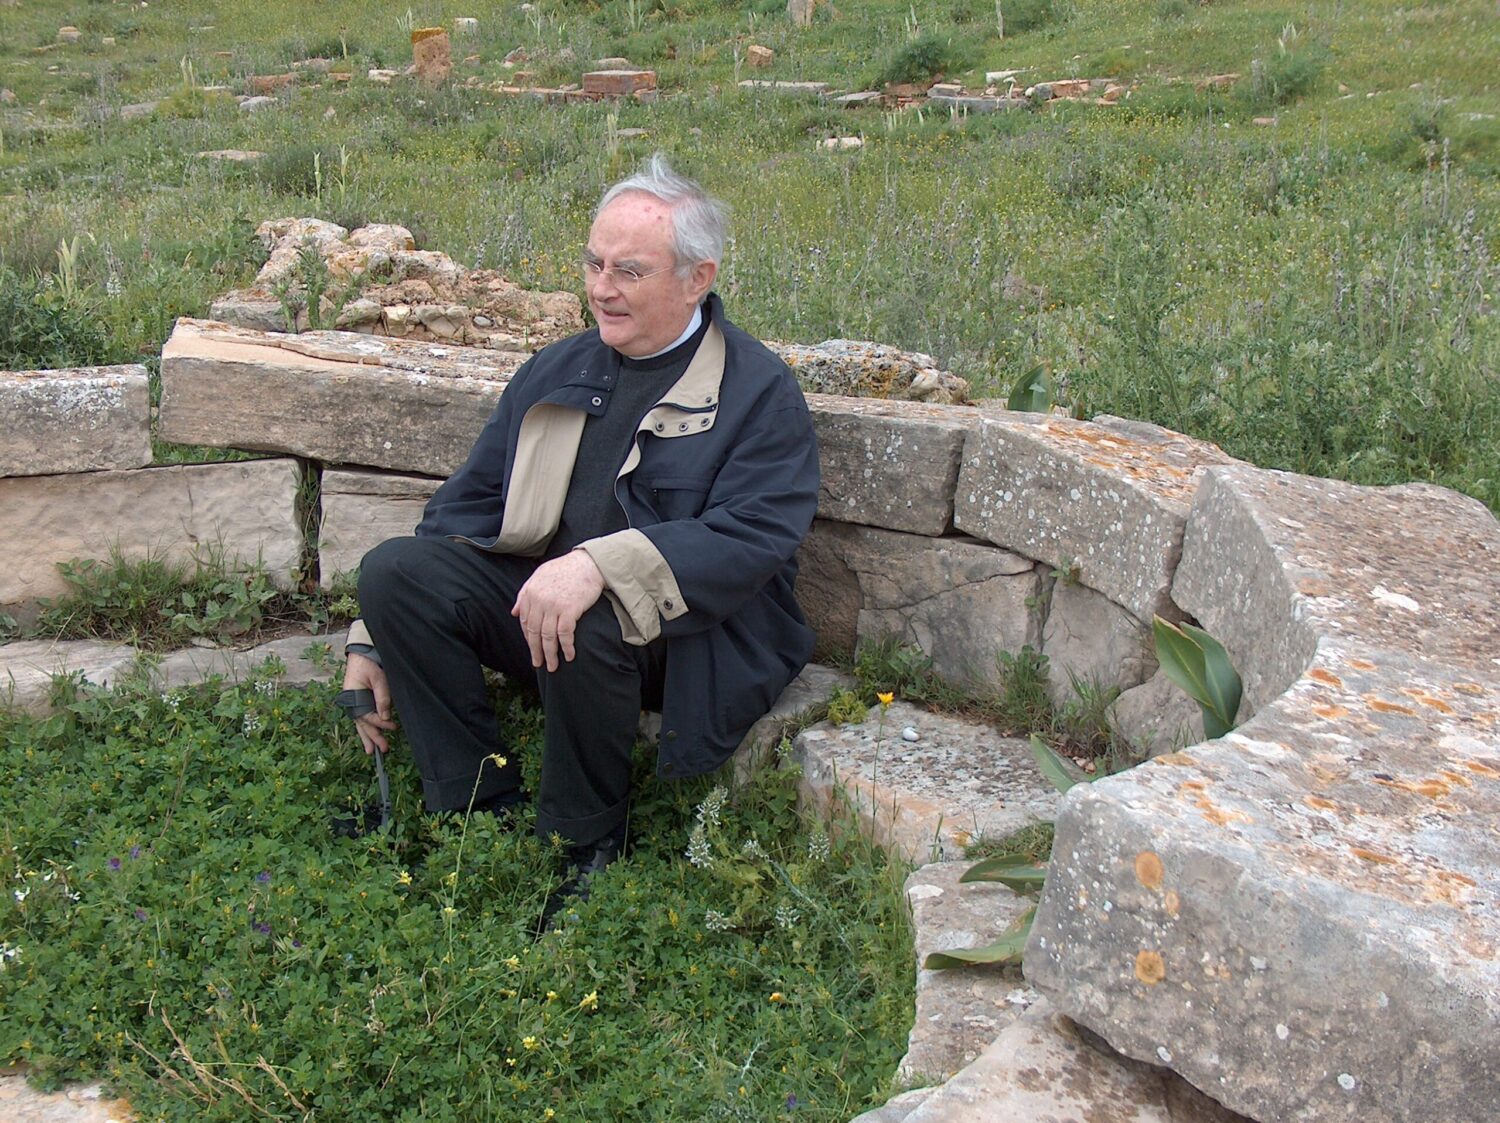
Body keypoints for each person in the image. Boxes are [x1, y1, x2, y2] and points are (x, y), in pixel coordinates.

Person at [340, 155, 819, 911]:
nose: (601, 287)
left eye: (629, 271)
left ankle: (584, 838)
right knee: (396, 572)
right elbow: (464, 507)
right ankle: (471, 799)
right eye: (594, 263)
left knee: (594, 604)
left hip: (688, 643)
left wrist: (599, 564)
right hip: (551, 612)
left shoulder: (758, 391)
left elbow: (754, 535)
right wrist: (372, 636)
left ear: (698, 277)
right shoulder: (558, 367)